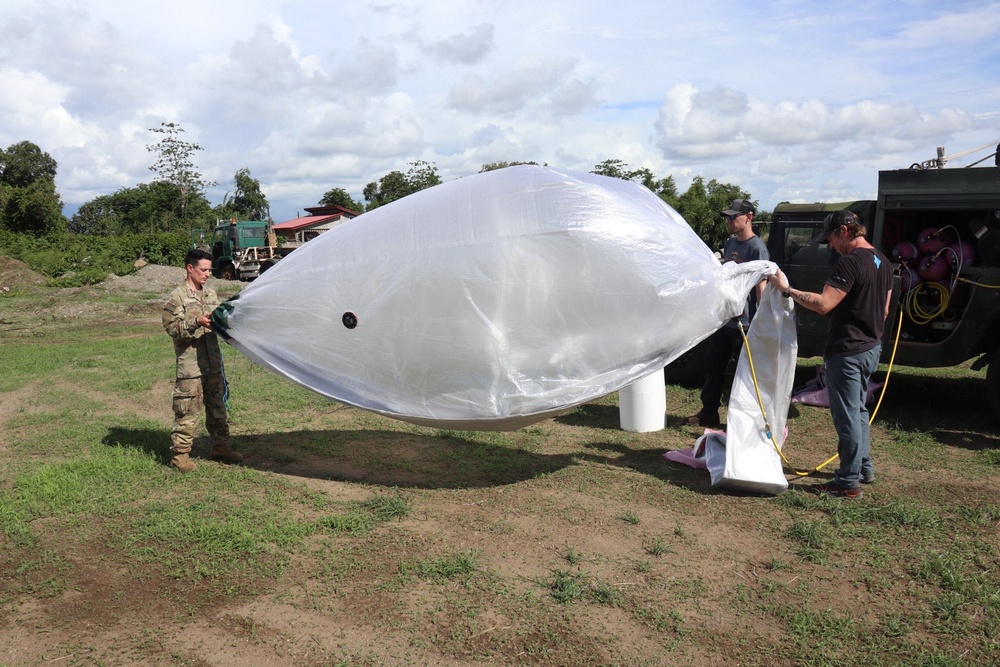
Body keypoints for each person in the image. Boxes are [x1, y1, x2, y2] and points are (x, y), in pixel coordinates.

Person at [768, 210, 893, 499]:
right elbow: (884, 310)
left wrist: (787, 290)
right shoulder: (883, 262)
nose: (831, 246)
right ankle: (863, 467)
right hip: (871, 348)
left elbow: (824, 304)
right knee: (859, 411)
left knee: (847, 415)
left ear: (845, 231)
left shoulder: (849, 264)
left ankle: (848, 483)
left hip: (847, 351)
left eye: (832, 239)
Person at [685, 198, 769, 428]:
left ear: (748, 217)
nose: (730, 221)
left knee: (744, 374)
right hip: (725, 320)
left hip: (745, 323)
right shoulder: (730, 243)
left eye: (734, 217)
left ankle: (744, 421)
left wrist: (760, 322)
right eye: (728, 217)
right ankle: (709, 412)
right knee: (714, 367)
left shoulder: (757, 248)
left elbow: (761, 284)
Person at [162, 248, 243, 472]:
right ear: (190, 268)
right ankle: (180, 455)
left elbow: (217, 321)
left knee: (217, 406)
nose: (208, 274)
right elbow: (172, 329)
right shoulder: (177, 297)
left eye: (210, 270)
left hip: (213, 362)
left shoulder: (210, 295)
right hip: (191, 366)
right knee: (188, 409)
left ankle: (220, 446)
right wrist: (196, 321)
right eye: (203, 269)